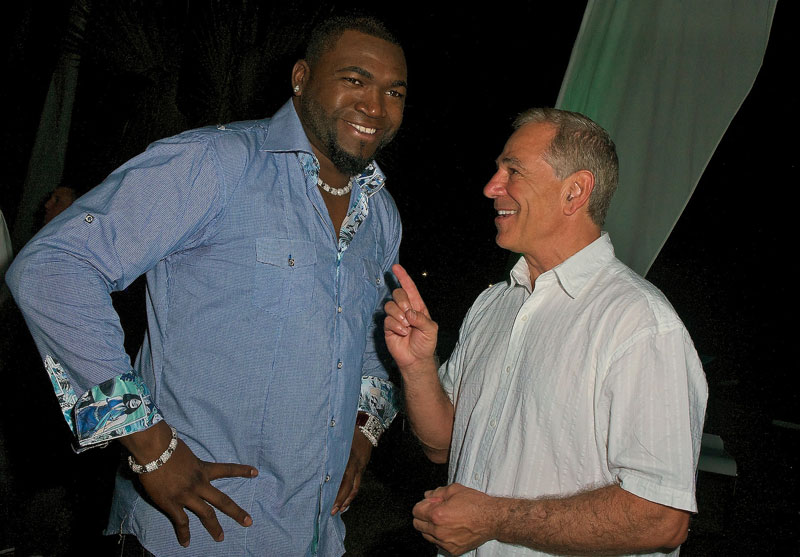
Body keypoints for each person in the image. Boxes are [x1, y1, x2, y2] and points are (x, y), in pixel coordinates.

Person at [6, 16, 408, 556]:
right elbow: (53, 267)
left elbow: (378, 343)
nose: (376, 106)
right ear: (301, 78)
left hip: (313, 537)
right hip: (190, 536)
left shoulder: (380, 214)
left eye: (394, 92)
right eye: (355, 80)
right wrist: (150, 445)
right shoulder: (216, 163)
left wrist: (363, 431)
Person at [384, 108, 708, 556]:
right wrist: (418, 366)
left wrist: (492, 518)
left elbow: (661, 517)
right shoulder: (494, 304)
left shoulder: (640, 324)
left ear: (575, 191)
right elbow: (442, 444)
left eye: (513, 171)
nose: (491, 187)